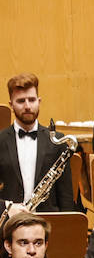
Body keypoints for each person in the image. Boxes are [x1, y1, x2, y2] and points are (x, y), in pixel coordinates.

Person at [0, 74, 76, 213]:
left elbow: (65, 195)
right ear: (11, 104)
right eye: (21, 101)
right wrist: (8, 207)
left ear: (39, 101)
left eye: (32, 100)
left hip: (48, 222)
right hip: (10, 223)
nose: (27, 106)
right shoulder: (1, 140)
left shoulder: (57, 141)